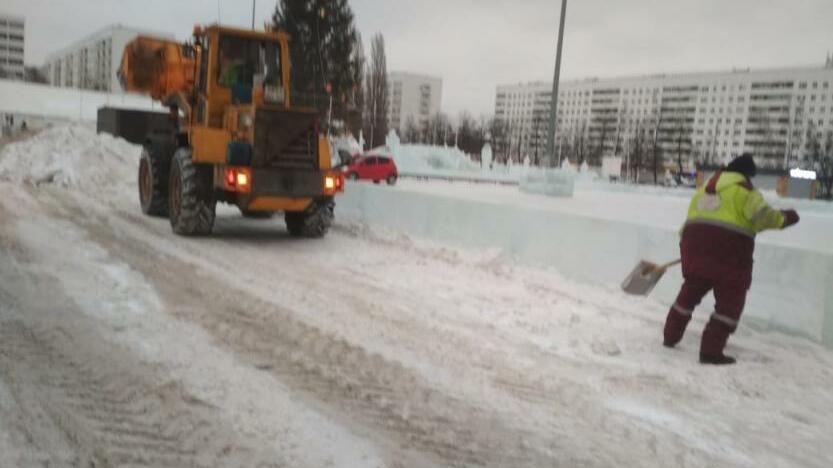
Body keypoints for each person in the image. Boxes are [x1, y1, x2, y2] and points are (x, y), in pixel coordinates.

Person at [663, 153, 800, 365]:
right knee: (729, 303)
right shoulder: (745, 191)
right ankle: (710, 351)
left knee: (690, 293)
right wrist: (785, 218)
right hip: (729, 254)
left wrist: (696, 250)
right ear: (746, 174)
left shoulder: (703, 190)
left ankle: (670, 337)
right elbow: (763, 216)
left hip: (693, 247)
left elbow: (690, 224)